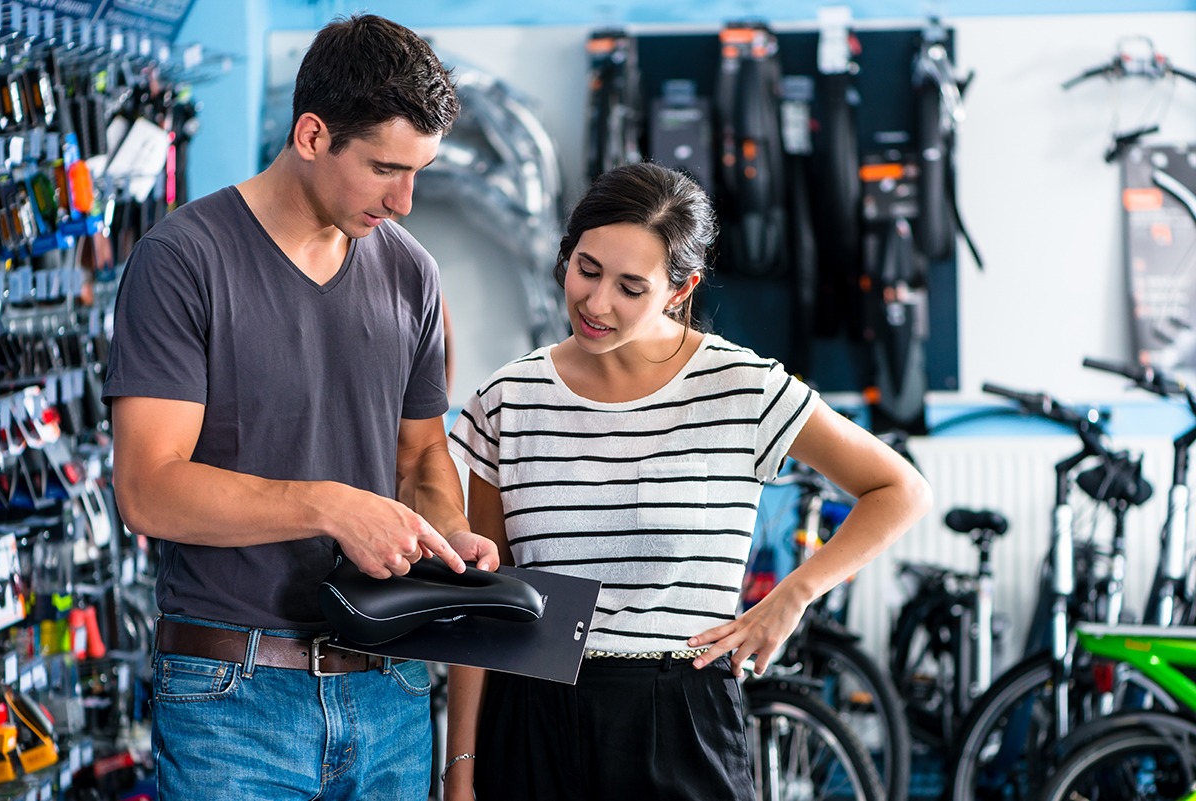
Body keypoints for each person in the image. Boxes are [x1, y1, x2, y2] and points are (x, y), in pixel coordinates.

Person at [101, 14, 498, 801]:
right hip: (233, 699)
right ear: (312, 135)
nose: (406, 199)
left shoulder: (412, 273)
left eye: (418, 170)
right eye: (387, 167)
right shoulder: (184, 261)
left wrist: (446, 532)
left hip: (390, 692)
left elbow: (419, 456)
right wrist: (331, 507)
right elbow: (148, 488)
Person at [444, 161, 932, 800]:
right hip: (534, 717)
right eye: (586, 270)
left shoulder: (741, 388)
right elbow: (488, 599)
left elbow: (900, 490)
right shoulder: (509, 399)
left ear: (680, 289)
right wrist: (461, 768)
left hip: (679, 712)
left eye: (630, 286)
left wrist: (793, 595)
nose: (596, 303)